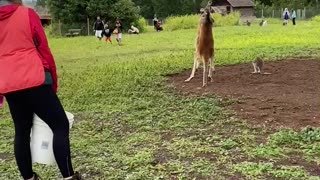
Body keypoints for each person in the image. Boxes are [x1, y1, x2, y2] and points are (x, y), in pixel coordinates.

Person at [0, 0, 82, 179]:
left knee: (21, 130)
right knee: (60, 125)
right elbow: (43, 48)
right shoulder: (26, 14)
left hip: (9, 84)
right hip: (35, 78)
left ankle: (29, 178)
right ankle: (69, 177)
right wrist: (53, 80)